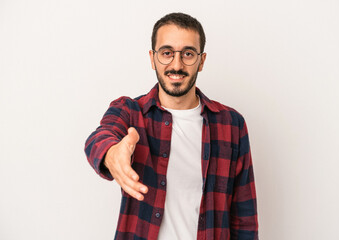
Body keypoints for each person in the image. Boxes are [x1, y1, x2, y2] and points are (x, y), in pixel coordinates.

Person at [85, 12, 258, 240]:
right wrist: (111, 154)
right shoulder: (130, 111)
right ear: (152, 58)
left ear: (201, 61)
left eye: (188, 54)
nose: (176, 65)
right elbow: (99, 137)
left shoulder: (232, 124)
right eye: (166, 53)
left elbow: (244, 219)